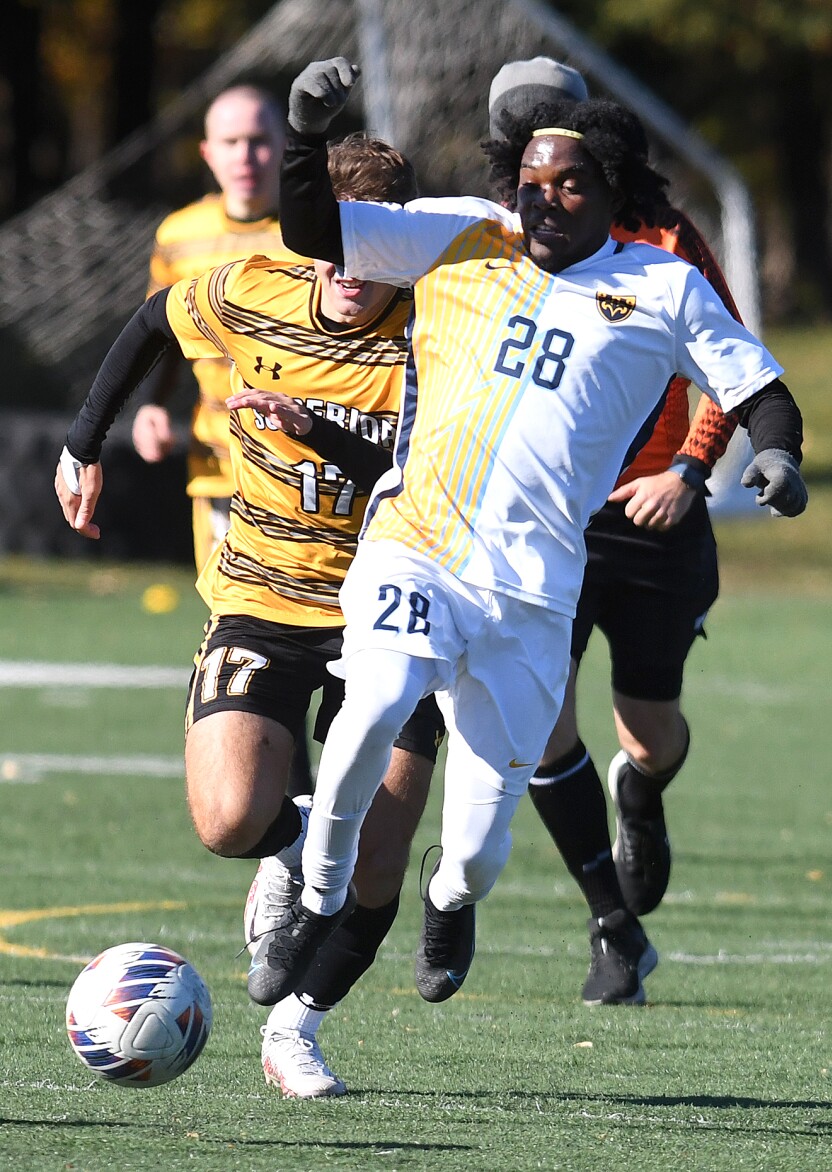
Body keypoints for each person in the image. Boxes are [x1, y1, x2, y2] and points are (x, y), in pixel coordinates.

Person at [247, 56, 806, 1021]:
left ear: (612, 193)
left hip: (534, 590)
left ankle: (449, 898)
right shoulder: (466, 231)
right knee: (374, 703)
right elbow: (314, 228)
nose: (543, 203)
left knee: (478, 847)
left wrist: (777, 456)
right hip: (417, 542)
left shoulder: (663, 283)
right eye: (531, 183)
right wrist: (303, 136)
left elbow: (760, 387)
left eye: (570, 186)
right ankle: (314, 895)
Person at [54, 132, 445, 1100]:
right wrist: (81, 445)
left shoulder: (439, 338)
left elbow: (433, 487)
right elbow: (153, 317)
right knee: (228, 819)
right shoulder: (251, 287)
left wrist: (324, 439)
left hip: (393, 605)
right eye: (335, 248)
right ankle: (294, 833)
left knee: (377, 868)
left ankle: (294, 1030)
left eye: (375, 255)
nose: (351, 274)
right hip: (263, 593)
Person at [487, 58, 745, 1006]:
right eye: (522, 145)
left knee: (649, 730)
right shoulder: (491, 240)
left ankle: (643, 790)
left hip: (649, 517)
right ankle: (612, 926)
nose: (543, 170)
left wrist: (690, 468)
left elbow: (735, 364)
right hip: (542, 522)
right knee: (540, 718)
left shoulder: (667, 239)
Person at [131, 83, 312, 796]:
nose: (248, 155)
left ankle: (306, 802)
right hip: (220, 472)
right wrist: (152, 406)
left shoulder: (312, 229)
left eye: (261, 140)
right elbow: (164, 331)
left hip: (309, 476)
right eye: (232, 142)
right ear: (208, 153)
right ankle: (276, 803)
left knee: (310, 637)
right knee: (241, 629)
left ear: (284, 149)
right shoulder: (180, 235)